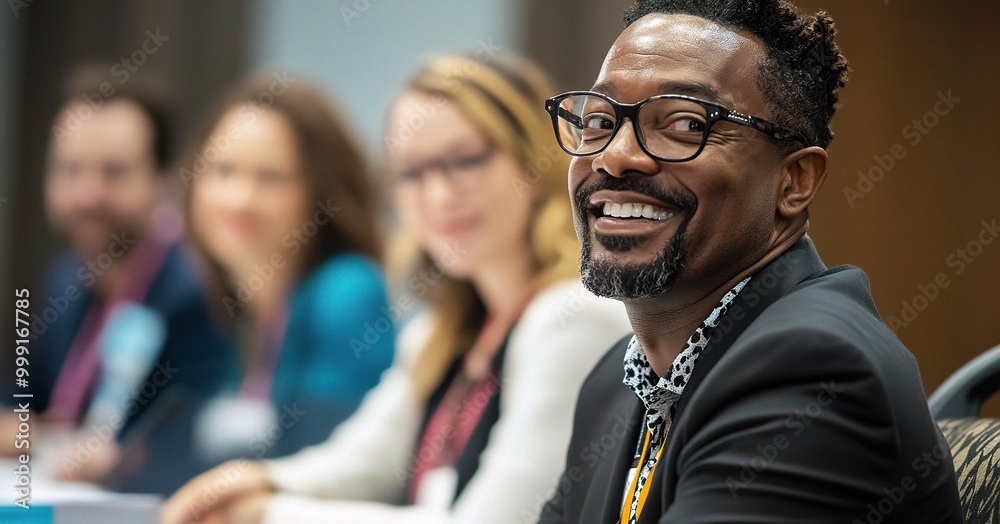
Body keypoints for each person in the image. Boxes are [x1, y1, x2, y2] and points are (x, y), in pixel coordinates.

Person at [535, 0, 963, 523]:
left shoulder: (815, 368)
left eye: (686, 124)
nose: (615, 156)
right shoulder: (610, 386)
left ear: (795, 181)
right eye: (598, 119)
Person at [159, 53, 632, 524]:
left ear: (532, 164)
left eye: (464, 161)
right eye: (412, 172)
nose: (439, 196)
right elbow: (360, 464)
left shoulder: (571, 316)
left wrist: (267, 512)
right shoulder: (442, 334)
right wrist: (253, 483)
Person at [0, 70, 234, 484]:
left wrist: (122, 458)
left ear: (163, 179)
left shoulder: (196, 287)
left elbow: (196, 442)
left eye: (113, 172)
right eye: (70, 169)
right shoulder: (65, 279)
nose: (87, 194)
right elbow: (21, 398)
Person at [179, 77, 396, 471]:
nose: (239, 198)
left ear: (321, 195)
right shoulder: (235, 304)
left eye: (270, 177)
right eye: (223, 171)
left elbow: (328, 471)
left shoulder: (346, 292)